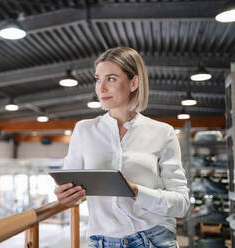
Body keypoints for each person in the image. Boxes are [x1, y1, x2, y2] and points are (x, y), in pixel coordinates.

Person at [54, 47, 190, 248]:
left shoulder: (163, 132)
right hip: (101, 241)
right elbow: (70, 188)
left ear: (133, 82)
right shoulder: (84, 130)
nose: (101, 88)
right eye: (98, 79)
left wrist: (135, 191)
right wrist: (64, 196)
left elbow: (182, 204)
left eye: (111, 79)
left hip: (153, 238)